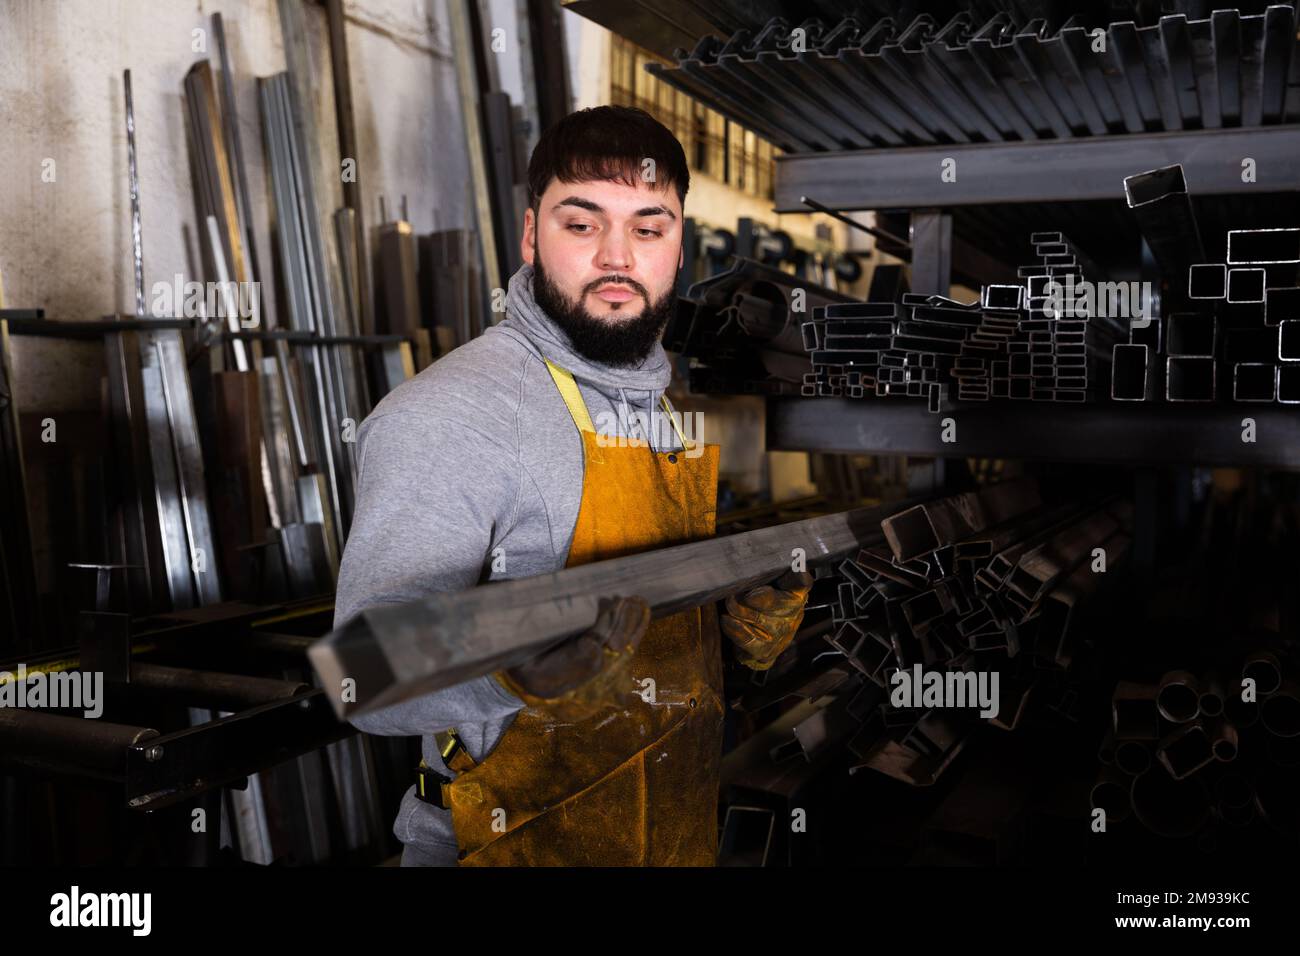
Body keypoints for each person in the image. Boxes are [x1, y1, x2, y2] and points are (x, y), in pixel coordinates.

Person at [333, 105, 812, 866]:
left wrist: (727, 634)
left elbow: (642, 624)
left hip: (673, 839)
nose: (617, 257)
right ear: (531, 236)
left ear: (679, 245)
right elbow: (359, 675)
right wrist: (508, 677)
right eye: (582, 225)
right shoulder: (453, 414)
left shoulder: (661, 407)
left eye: (648, 228)